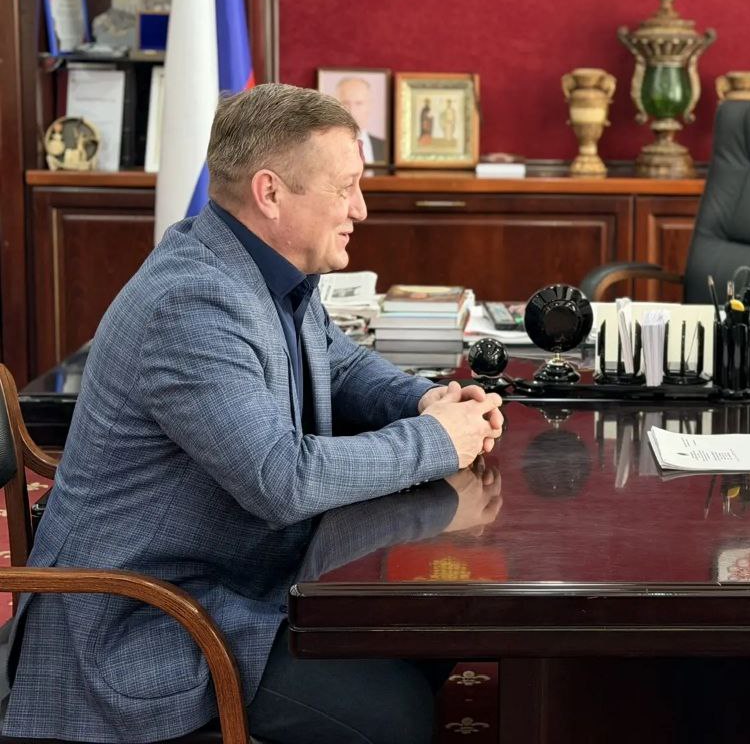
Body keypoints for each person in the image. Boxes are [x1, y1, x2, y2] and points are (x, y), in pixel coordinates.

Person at [3, 83, 504, 744]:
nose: (360, 208)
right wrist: (436, 440)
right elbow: (280, 479)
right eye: (345, 187)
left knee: (424, 631)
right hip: (142, 624)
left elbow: (338, 364)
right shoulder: (192, 302)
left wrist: (422, 399)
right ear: (270, 193)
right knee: (393, 710)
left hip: (227, 583)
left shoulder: (265, 268)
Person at [334, 75, 387, 163]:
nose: (352, 109)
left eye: (359, 103)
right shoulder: (326, 145)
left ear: (369, 105)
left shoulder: (384, 147)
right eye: (345, 103)